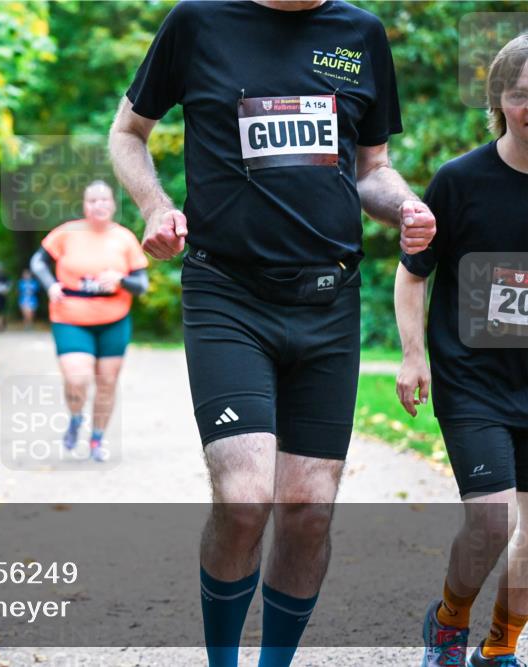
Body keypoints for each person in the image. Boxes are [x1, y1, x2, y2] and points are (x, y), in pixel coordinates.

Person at [109, 1, 435, 665]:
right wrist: (155, 206)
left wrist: (405, 205)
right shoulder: (198, 22)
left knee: (309, 508)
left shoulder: (360, 33)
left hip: (329, 300)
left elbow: (371, 168)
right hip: (228, 294)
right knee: (244, 496)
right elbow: (128, 132)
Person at [395, 34, 528, 667]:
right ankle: (448, 622)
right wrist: (413, 355)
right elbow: (412, 274)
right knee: (493, 521)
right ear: (498, 101)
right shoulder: (459, 181)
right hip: (474, 380)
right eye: (522, 95)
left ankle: (500, 647)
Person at [29, 179, 149, 463]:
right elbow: (38, 262)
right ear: (84, 206)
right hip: (70, 317)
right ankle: (75, 417)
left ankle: (96, 439)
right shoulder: (67, 233)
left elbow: (142, 285)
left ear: (113, 205)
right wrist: (50, 285)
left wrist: (120, 279)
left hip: (114, 319)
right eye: (93, 201)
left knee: (107, 382)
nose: (99, 205)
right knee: (77, 377)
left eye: (104, 200)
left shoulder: (124, 238)